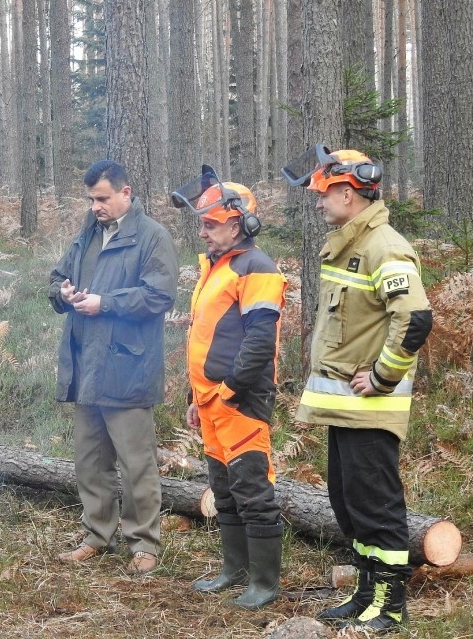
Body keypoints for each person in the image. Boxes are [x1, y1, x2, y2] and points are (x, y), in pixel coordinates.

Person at [282, 145, 433, 631]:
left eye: (324, 195)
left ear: (347, 194)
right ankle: (366, 593)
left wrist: (384, 376)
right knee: (349, 504)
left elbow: (414, 318)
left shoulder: (382, 245)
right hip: (344, 409)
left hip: (369, 408)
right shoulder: (350, 244)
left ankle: (389, 604)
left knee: (376, 505)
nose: (320, 204)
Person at [49, 160, 178, 575]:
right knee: (90, 460)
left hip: (128, 367)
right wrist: (63, 293)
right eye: (91, 199)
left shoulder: (152, 236)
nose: (95, 206)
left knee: (136, 462)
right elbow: (55, 280)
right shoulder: (88, 233)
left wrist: (107, 303)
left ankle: (143, 543)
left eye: (102, 198)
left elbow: (159, 296)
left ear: (126, 193)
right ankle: (97, 535)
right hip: (86, 364)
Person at [171, 168, 287, 609]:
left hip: (241, 399)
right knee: (223, 490)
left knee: (252, 489)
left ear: (236, 224)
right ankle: (233, 570)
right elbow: (204, 337)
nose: (202, 232)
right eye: (201, 223)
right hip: (211, 399)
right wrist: (195, 397)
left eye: (209, 224)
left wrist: (230, 390)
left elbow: (259, 341)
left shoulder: (257, 268)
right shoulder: (215, 267)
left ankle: (263, 584)